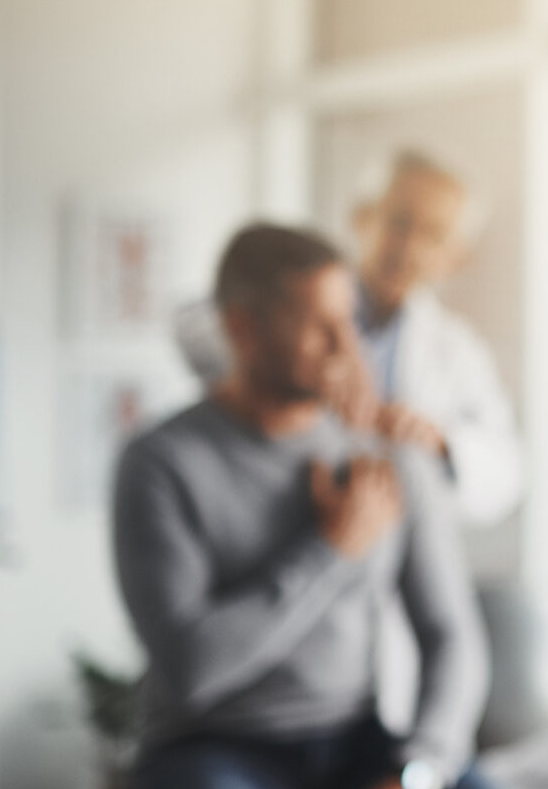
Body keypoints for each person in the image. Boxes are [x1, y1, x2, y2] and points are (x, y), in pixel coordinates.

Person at [117, 223, 510, 789]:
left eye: (349, 320)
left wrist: (416, 779)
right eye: (320, 327)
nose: (347, 346)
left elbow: (452, 636)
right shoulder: (160, 463)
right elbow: (191, 669)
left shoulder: (390, 451)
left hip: (356, 740)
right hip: (209, 750)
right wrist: (334, 547)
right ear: (243, 331)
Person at [172, 153, 523, 529]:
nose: (409, 247)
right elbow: (198, 327)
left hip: (390, 534)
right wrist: (303, 370)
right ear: (362, 216)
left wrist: (440, 444)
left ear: (456, 258)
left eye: (433, 234)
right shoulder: (302, 288)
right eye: (400, 222)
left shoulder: (458, 350)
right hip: (275, 514)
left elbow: (507, 474)